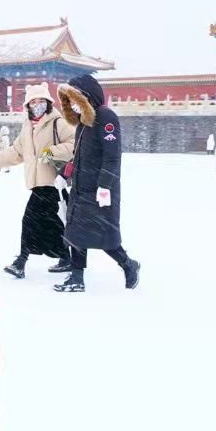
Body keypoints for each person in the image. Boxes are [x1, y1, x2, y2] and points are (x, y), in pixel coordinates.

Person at [54, 74, 140, 292]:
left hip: (100, 189)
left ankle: (128, 264)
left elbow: (112, 157)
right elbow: (78, 155)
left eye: (75, 98)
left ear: (86, 96)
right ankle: (76, 278)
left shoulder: (106, 117)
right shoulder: (84, 120)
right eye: (69, 100)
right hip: (81, 187)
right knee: (76, 233)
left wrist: (104, 186)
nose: (72, 104)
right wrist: (65, 174)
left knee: (104, 235)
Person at [0, 83, 76, 279]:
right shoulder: (27, 127)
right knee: (53, 225)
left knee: (29, 221)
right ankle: (66, 258)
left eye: (41, 101)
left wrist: (50, 152)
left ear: (48, 103)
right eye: (33, 102)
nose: (37, 105)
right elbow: (17, 153)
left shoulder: (57, 122)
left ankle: (21, 261)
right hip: (37, 184)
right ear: (28, 105)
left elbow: (74, 143)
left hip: (53, 183)